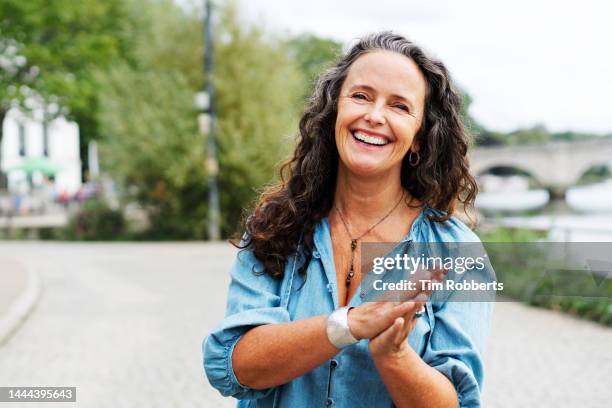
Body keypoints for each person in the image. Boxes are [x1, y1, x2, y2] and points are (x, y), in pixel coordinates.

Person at [203, 31, 494, 408]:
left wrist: (394, 355)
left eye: (399, 107)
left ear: (420, 139)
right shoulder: (277, 225)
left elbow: (454, 403)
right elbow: (234, 366)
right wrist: (348, 324)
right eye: (361, 96)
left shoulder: (458, 251)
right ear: (333, 111)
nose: (374, 116)